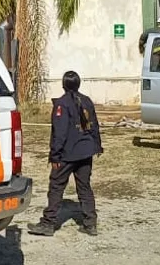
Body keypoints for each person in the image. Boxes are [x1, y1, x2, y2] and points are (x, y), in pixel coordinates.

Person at [27, 71, 103, 237]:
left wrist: (55, 156)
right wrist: (97, 146)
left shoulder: (62, 104)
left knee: (56, 187)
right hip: (85, 151)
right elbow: (94, 125)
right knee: (84, 187)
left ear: (63, 84)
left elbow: (59, 133)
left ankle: (48, 223)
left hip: (68, 153)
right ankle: (91, 224)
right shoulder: (87, 101)